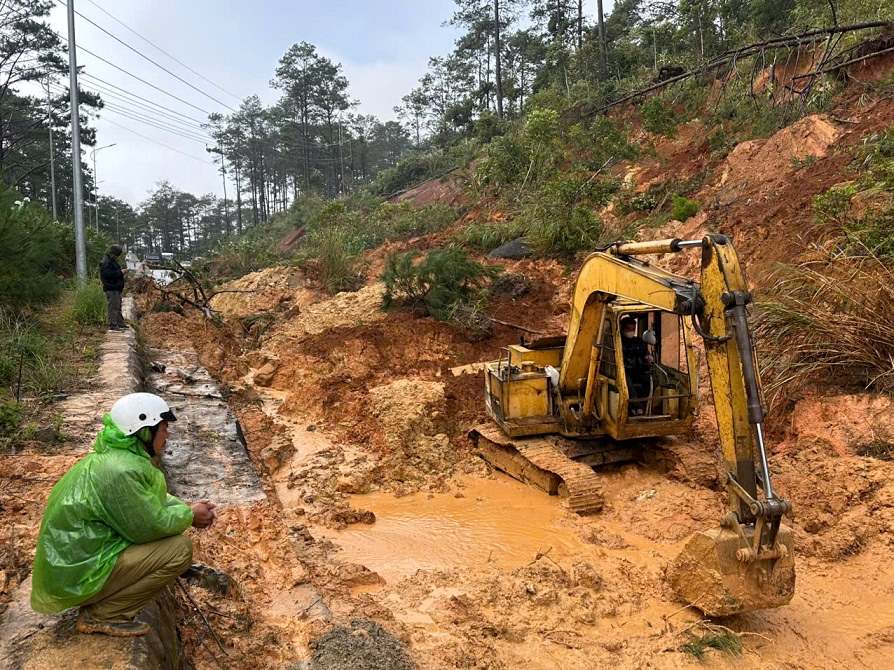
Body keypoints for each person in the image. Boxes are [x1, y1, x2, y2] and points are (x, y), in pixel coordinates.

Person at [30, 393, 217, 637]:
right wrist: (190, 516)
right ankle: (103, 615)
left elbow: (149, 502)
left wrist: (185, 508)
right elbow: (149, 527)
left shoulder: (116, 459)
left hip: (77, 566)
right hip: (78, 578)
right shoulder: (122, 471)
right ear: (144, 431)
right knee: (179, 550)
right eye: (163, 428)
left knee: (172, 543)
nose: (167, 435)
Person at [620, 316, 654, 415]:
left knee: (651, 379)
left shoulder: (638, 341)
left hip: (637, 370)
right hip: (623, 370)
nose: (631, 331)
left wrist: (648, 357)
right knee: (627, 382)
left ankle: (648, 406)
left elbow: (645, 353)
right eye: (628, 329)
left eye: (633, 329)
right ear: (622, 328)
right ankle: (637, 407)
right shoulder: (618, 341)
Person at [100, 245, 127, 330]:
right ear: (113, 253)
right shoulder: (106, 261)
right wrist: (120, 272)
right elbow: (107, 275)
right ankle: (113, 324)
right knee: (113, 307)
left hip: (116, 288)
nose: (117, 257)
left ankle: (120, 322)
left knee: (118, 306)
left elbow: (113, 271)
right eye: (117, 255)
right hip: (111, 288)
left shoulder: (111, 260)